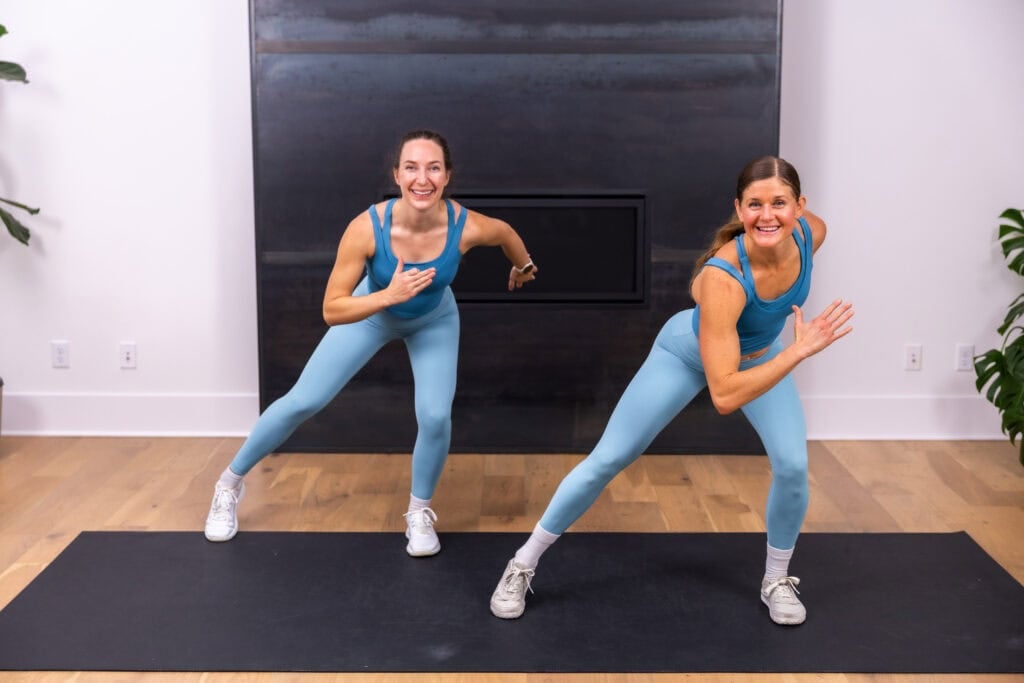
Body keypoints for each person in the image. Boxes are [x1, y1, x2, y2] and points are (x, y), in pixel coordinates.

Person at [489, 155, 853, 625]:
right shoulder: (724, 278)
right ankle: (522, 563)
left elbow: (757, 346)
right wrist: (797, 353)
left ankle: (776, 578)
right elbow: (724, 396)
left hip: (758, 357)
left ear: (799, 207)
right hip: (686, 354)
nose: (768, 216)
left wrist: (782, 353)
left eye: (779, 203)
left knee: (793, 464)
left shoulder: (812, 233)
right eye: (755, 205)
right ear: (739, 209)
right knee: (609, 458)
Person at [205, 129, 537, 556]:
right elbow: (332, 309)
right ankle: (228, 484)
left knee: (435, 417)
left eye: (433, 168)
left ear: (447, 176)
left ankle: (419, 513)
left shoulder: (466, 225)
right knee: (304, 400)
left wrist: (523, 266)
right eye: (412, 168)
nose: (423, 179)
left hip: (434, 320)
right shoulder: (366, 228)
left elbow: (506, 233)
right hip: (372, 313)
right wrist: (388, 296)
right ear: (396, 175)